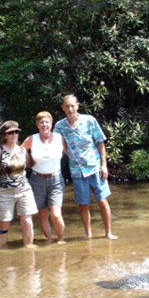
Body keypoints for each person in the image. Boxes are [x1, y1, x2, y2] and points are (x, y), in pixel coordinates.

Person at [54, 94, 118, 240]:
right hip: (77, 171)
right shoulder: (59, 126)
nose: (70, 109)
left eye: (72, 105)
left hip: (95, 167)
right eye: (67, 106)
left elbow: (100, 142)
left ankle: (108, 233)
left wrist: (104, 165)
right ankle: (88, 234)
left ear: (77, 105)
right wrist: (67, 151)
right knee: (83, 204)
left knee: (102, 200)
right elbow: (57, 144)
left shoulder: (89, 121)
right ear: (63, 108)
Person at [0, 120, 38, 249]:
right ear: (5, 135)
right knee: (4, 224)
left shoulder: (23, 151)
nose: (14, 135)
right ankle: (1, 248)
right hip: (4, 192)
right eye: (11, 133)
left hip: (24, 190)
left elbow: (31, 165)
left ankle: (28, 247)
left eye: (16, 132)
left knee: (27, 222)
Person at [21, 111, 67, 244]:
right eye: (41, 122)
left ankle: (61, 240)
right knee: (42, 214)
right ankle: (49, 240)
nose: (44, 125)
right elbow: (20, 150)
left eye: (47, 122)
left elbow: (71, 153)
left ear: (51, 124)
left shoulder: (59, 138)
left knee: (56, 215)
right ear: (37, 125)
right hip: (36, 180)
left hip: (56, 180)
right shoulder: (32, 139)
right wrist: (28, 160)